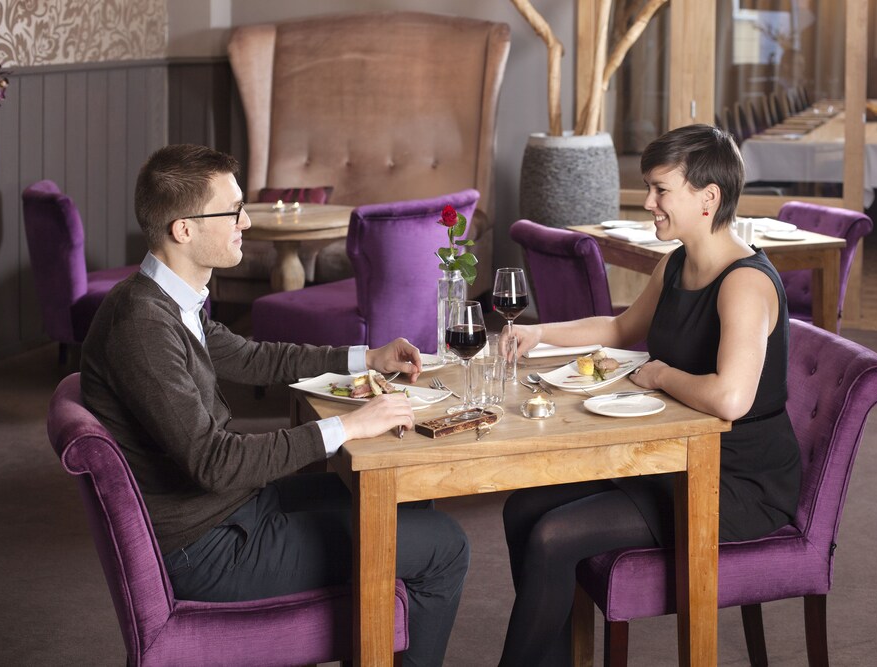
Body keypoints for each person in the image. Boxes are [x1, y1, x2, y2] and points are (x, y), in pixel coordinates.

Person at [80, 144, 469, 667]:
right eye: (232, 211)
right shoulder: (142, 326)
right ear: (183, 230)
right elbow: (214, 462)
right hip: (209, 547)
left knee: (408, 501)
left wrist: (367, 357)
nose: (245, 222)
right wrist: (348, 427)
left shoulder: (168, 301)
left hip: (231, 510)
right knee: (445, 546)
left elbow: (254, 358)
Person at [499, 124, 801, 666]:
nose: (647, 202)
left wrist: (660, 376)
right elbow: (620, 329)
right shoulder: (677, 262)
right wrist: (538, 333)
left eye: (661, 189)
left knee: (552, 535)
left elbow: (730, 399)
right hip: (673, 456)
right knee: (522, 508)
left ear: (708, 198)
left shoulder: (745, 283)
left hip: (734, 480)